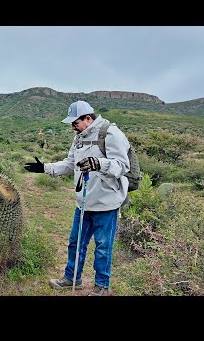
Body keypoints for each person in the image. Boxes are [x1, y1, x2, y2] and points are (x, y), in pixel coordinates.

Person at [24, 100, 130, 296]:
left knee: (103, 247)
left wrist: (99, 163)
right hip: (83, 202)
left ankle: (102, 286)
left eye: (75, 123)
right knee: (76, 242)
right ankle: (72, 278)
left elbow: (123, 166)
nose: (73, 127)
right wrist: (46, 168)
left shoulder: (111, 134)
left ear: (88, 118)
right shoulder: (79, 137)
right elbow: (70, 163)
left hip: (106, 203)